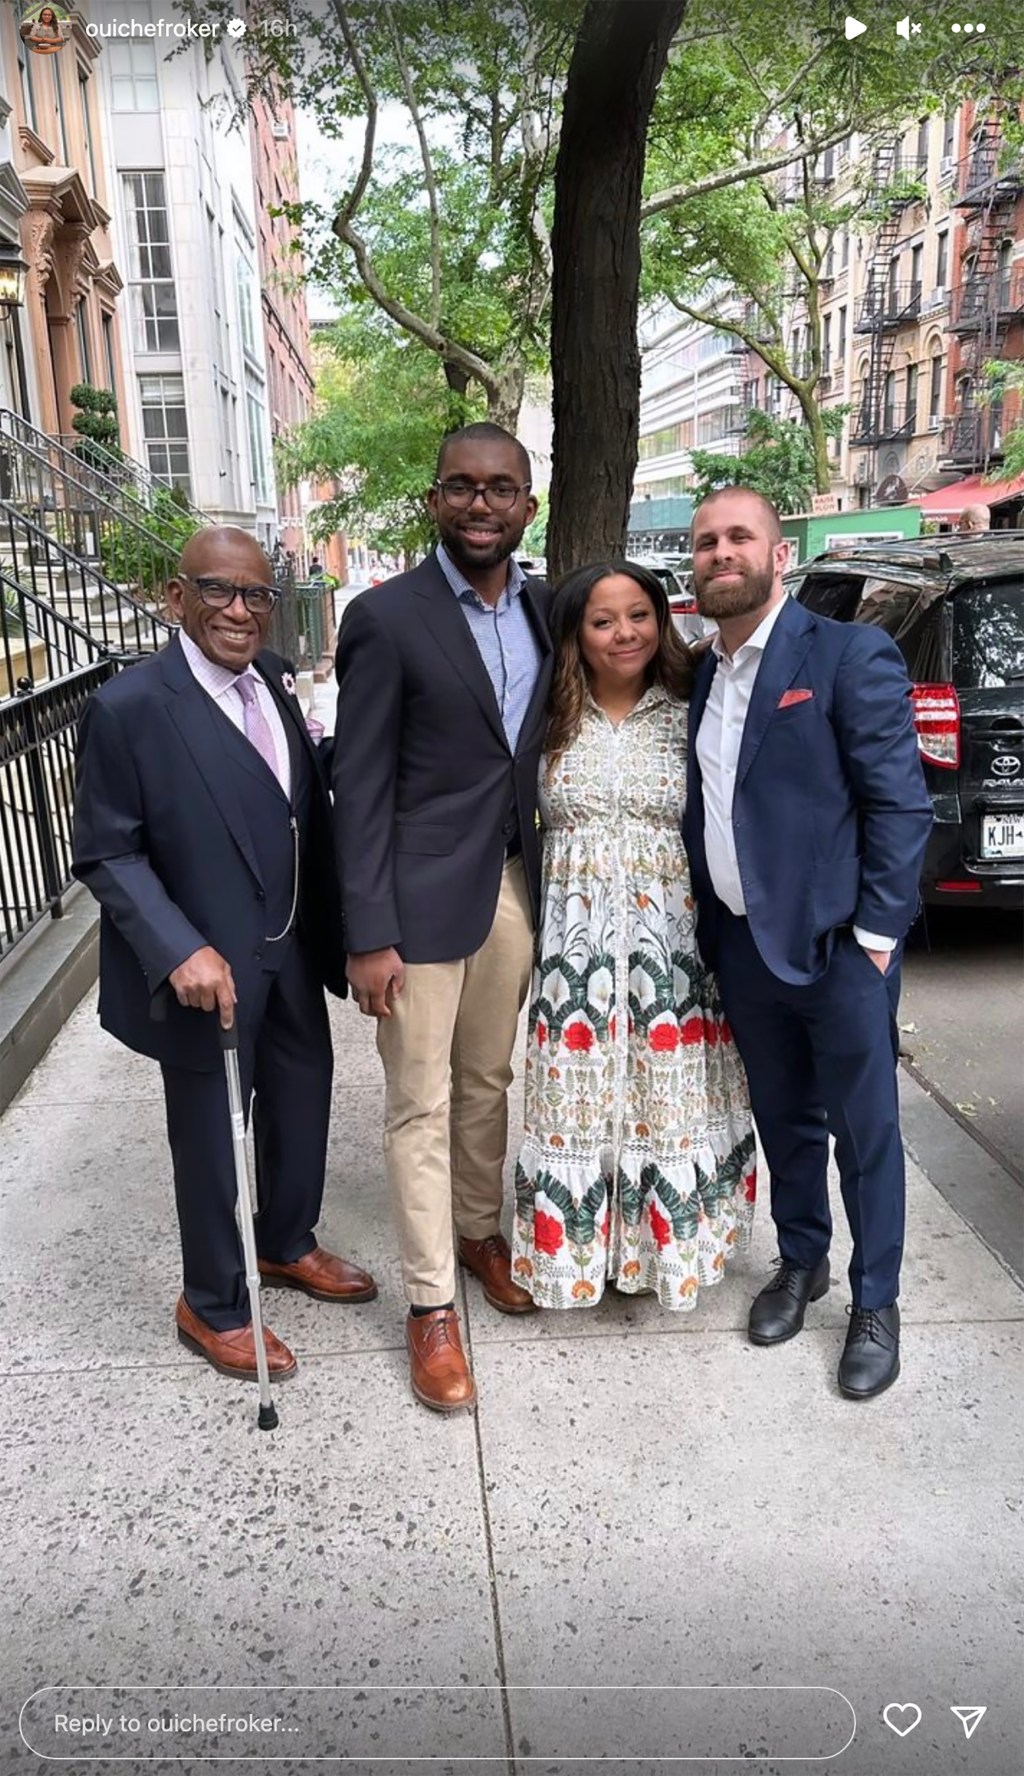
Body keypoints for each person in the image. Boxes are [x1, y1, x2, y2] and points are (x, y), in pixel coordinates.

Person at [72, 527, 376, 1383]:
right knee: (210, 1136)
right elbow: (105, 851)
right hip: (203, 972)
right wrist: (177, 950)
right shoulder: (130, 707)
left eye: (255, 596)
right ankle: (211, 1303)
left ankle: (284, 1241)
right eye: (217, 591)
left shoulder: (273, 683)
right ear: (177, 598)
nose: (240, 611)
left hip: (288, 946)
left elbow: (292, 801)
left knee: (304, 1097)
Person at [683, 489, 933, 1400]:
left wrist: (875, 937)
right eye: (707, 541)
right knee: (785, 1120)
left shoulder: (845, 654)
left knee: (865, 1134)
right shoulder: (703, 673)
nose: (721, 553)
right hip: (745, 946)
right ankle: (801, 1262)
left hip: (838, 950)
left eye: (739, 537)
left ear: (779, 555)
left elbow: (898, 804)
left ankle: (876, 1302)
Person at [333, 422, 552, 1413]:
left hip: (510, 882)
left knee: (487, 1079)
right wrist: (367, 931)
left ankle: (477, 1229)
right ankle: (430, 1308)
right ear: (433, 501)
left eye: (499, 488)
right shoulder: (386, 618)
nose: (480, 504)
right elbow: (361, 784)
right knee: (417, 1100)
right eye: (461, 487)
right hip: (415, 903)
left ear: (525, 506)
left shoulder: (546, 609)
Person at [512, 563, 756, 1309]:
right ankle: (577, 1257)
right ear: (574, 635)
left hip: (673, 942)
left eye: (639, 615)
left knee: (669, 1097)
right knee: (579, 1099)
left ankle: (669, 1252)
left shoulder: (694, 705)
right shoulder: (546, 715)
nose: (625, 633)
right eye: (603, 620)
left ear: (662, 620)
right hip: (574, 949)